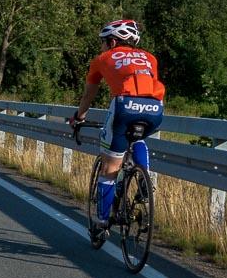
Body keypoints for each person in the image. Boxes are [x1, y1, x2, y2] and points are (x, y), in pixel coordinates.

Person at [68, 20, 166, 235]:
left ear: (113, 41)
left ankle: (101, 223)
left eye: (103, 42)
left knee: (109, 170)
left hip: (124, 106)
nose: (101, 47)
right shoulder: (150, 58)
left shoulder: (102, 59)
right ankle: (144, 178)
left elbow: (88, 94)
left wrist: (79, 117)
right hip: (155, 109)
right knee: (138, 138)